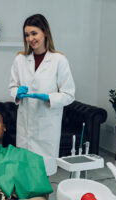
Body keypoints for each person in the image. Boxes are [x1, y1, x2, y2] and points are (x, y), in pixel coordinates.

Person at [9, 14, 75, 176]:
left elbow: (69, 94)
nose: (30, 38)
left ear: (45, 33)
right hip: (25, 125)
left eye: (34, 33)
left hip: (47, 126)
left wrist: (49, 97)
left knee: (42, 174)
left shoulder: (59, 60)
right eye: (27, 35)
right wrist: (17, 93)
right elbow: (11, 87)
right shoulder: (20, 59)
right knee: (24, 173)